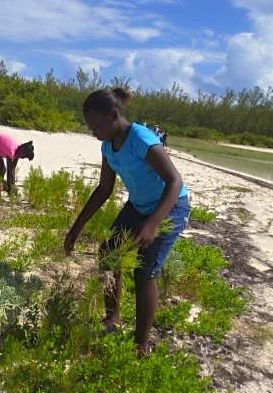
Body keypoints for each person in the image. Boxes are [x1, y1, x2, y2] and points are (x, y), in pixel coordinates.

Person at [64, 88, 190, 356]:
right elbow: (103, 189)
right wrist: (76, 228)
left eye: (96, 125)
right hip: (139, 206)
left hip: (170, 206)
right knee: (108, 254)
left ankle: (141, 345)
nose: (93, 131)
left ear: (113, 116)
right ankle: (113, 319)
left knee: (144, 272)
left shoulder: (142, 139)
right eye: (90, 127)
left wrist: (153, 223)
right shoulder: (107, 145)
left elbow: (174, 181)